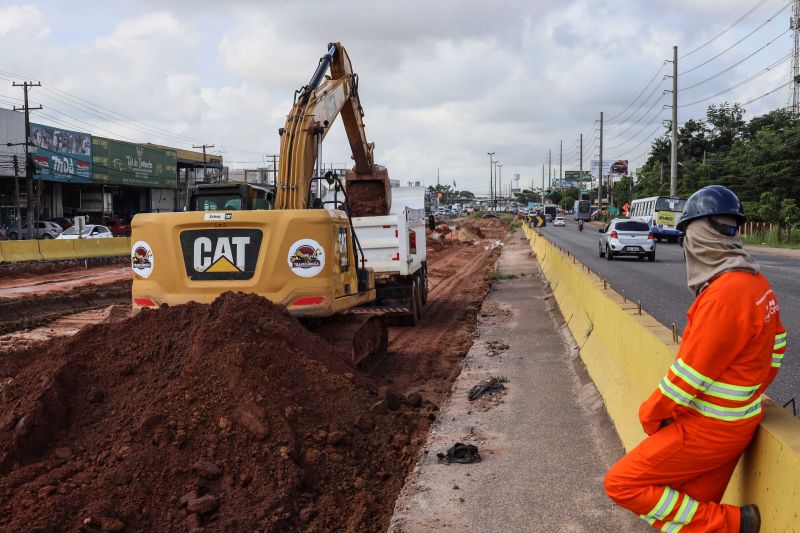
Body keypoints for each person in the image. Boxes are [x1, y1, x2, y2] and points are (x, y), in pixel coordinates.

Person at [604, 185, 786, 533]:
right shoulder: (755, 280)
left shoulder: (724, 294)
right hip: (738, 423)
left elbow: (688, 377)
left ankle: (736, 523)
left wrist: (650, 416)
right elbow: (777, 345)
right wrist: (749, 388)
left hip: (709, 429)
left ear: (698, 236)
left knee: (622, 483)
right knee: (687, 511)